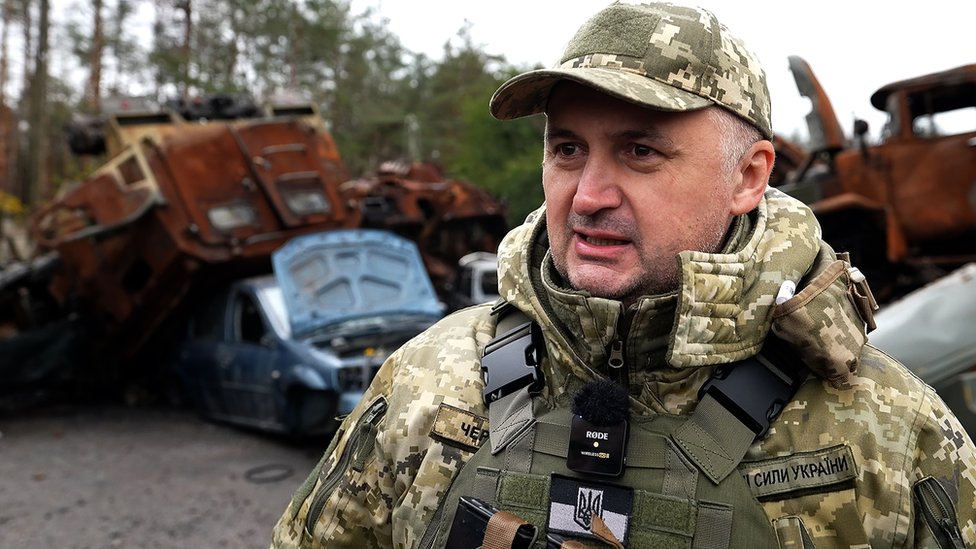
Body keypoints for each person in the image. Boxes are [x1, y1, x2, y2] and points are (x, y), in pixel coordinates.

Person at [271, 2, 976, 547]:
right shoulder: (427, 383)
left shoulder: (888, 431)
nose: (588, 196)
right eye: (569, 148)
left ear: (749, 176)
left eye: (640, 151)